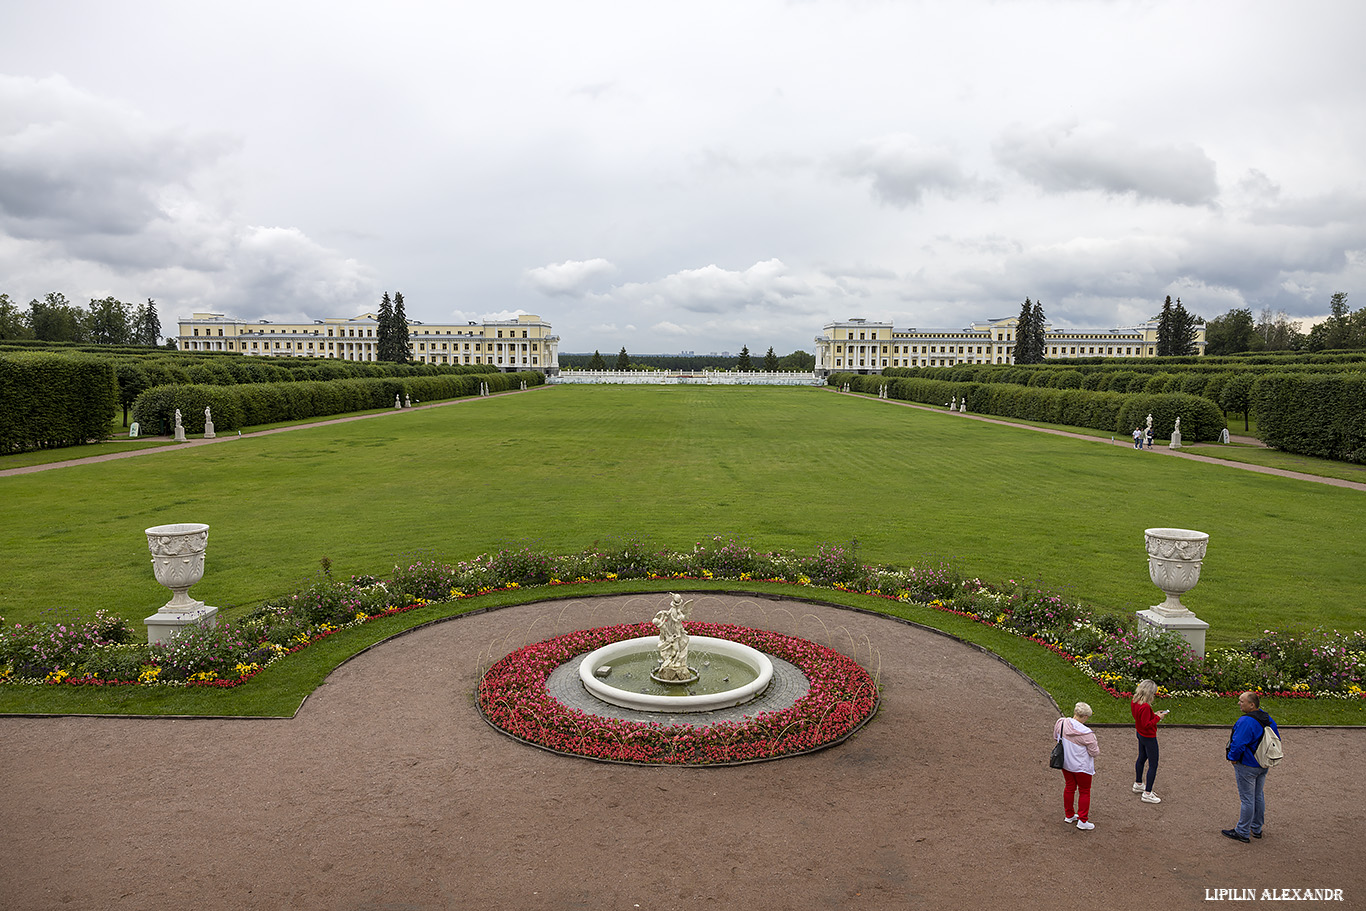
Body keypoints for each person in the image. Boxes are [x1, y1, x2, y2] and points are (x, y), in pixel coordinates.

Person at [1223, 691, 1278, 843]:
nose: (1239, 703)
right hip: (1263, 763)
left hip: (1247, 765)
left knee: (1247, 799)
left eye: (1241, 701)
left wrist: (1232, 758)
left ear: (1251, 705)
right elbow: (1276, 738)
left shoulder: (1246, 721)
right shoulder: (1267, 718)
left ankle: (1242, 831)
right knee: (1258, 795)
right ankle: (1256, 828)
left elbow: (1238, 743)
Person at [1055, 702, 1100, 830]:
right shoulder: (1087, 734)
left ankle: (1069, 815)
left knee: (1069, 787)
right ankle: (1082, 820)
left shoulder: (1061, 723)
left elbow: (1056, 737)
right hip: (1082, 767)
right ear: (1085, 716)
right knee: (1084, 791)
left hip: (1065, 763)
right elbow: (1094, 752)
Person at [1131, 679, 1169, 803]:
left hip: (1140, 733)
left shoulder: (1135, 701)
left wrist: (1154, 715)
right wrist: (1158, 717)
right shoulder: (1146, 706)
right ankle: (1147, 793)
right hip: (1149, 736)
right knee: (1153, 764)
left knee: (1141, 757)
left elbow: (1142, 720)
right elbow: (1147, 724)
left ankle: (1138, 783)